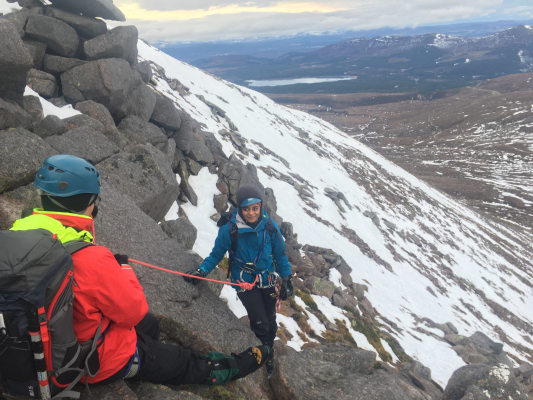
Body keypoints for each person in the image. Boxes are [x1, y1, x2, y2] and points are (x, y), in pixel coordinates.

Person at [9, 154, 270, 389]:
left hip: (33, 347)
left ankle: (149, 351)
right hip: (89, 362)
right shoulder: (92, 259)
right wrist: (122, 268)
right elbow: (134, 309)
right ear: (87, 203)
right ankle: (233, 367)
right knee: (182, 361)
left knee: (151, 326)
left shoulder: (14, 236)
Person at [184, 185, 294, 376]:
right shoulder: (230, 230)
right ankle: (261, 356)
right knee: (260, 323)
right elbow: (216, 254)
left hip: (267, 279)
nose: (251, 213)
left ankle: (267, 351)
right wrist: (202, 271)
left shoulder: (269, 226)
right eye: (246, 208)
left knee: (271, 321)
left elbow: (280, 254)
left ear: (260, 207)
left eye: (255, 208)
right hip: (244, 282)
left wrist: (286, 279)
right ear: (239, 208)